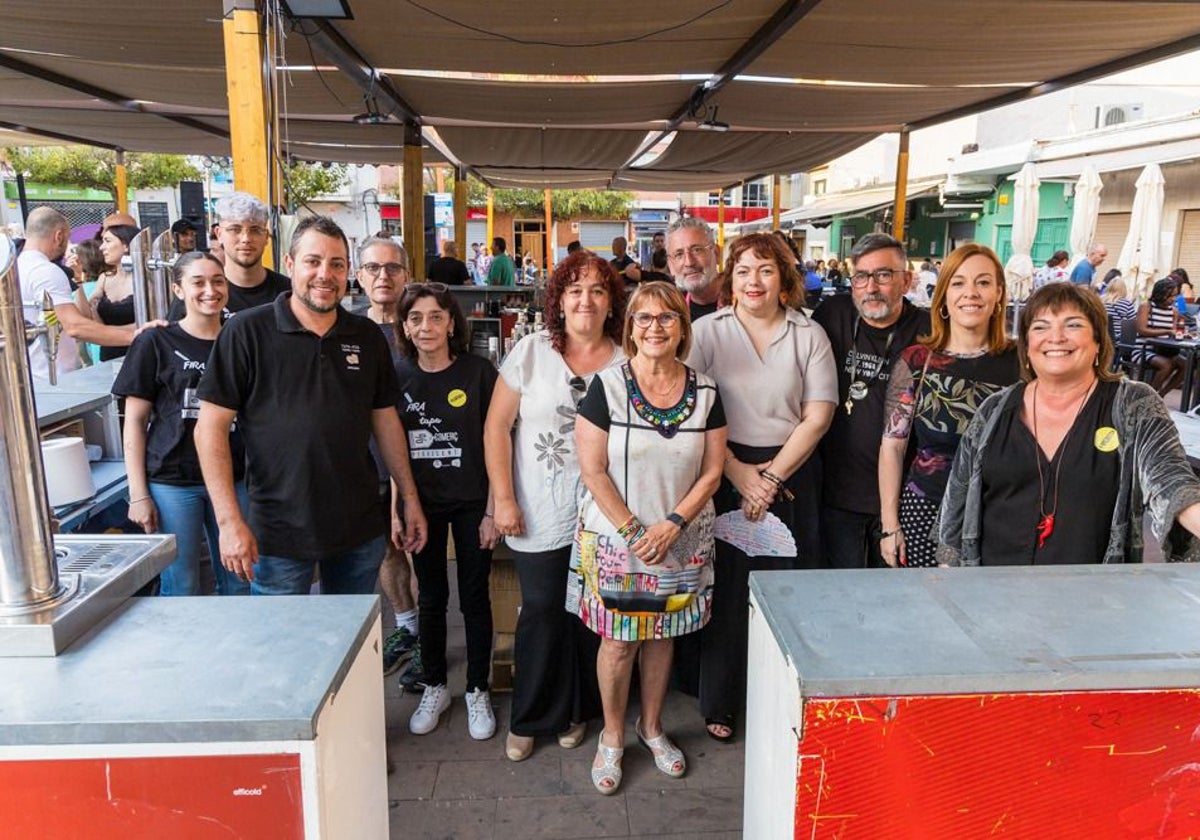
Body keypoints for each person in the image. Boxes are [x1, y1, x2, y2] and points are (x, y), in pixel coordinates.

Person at [194, 215, 428, 595]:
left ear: (348, 272)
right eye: (313, 261)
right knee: (282, 647)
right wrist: (228, 522)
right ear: (289, 265)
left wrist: (410, 499)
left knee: (352, 646)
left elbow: (385, 422)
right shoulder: (247, 332)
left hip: (358, 527)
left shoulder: (366, 336)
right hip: (278, 531)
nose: (325, 274)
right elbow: (210, 428)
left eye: (337, 264)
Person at [573, 282, 726, 794]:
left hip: (680, 540)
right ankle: (613, 737)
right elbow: (592, 469)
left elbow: (712, 471)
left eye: (666, 319)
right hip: (619, 543)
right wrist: (636, 531)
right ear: (630, 328)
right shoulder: (606, 387)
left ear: (682, 328)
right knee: (619, 643)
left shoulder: (705, 391)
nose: (655, 327)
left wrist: (672, 525)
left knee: (663, 637)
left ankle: (652, 726)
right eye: (644, 318)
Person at [688, 232, 838, 741]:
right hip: (723, 468)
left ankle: (785, 701)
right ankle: (721, 703)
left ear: (785, 279)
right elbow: (695, 412)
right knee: (725, 591)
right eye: (745, 270)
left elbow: (817, 415)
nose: (755, 281)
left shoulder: (808, 334)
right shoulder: (706, 332)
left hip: (791, 472)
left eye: (767, 270)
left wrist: (769, 477)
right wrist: (737, 472)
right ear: (731, 277)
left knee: (789, 590)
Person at [939, 282, 1200, 565]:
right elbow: (957, 500)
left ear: (1099, 341)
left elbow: (1169, 479)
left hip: (1091, 598)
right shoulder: (994, 409)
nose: (1056, 337)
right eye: (1040, 327)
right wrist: (950, 575)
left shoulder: (1134, 404)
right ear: (1027, 346)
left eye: (1073, 325)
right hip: (992, 592)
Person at [484, 249, 626, 762]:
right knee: (542, 610)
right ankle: (530, 716)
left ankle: (576, 712)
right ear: (558, 301)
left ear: (611, 302)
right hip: (537, 507)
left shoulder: (628, 358)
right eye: (574, 290)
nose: (585, 300)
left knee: (589, 617)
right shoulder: (530, 351)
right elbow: (497, 426)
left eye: (596, 290)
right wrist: (502, 498)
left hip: (604, 513)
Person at [394, 282, 499, 740]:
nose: (426, 327)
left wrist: (496, 508)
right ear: (404, 326)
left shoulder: (479, 373)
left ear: (452, 322)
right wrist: (395, 511)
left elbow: (500, 444)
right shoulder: (396, 378)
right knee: (432, 598)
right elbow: (390, 450)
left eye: (435, 316)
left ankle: (478, 687)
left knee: (474, 598)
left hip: (474, 501)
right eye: (415, 318)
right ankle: (435, 684)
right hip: (423, 505)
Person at [113, 252, 250, 596]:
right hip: (173, 480)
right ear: (177, 289)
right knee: (181, 583)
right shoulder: (155, 341)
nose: (210, 290)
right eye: (198, 282)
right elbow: (134, 422)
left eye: (218, 281)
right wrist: (138, 493)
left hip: (235, 479)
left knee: (240, 578)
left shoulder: (241, 340)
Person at [877, 245, 1020, 568]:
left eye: (983, 283)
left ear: (999, 293)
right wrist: (889, 525)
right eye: (958, 283)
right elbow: (892, 448)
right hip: (925, 509)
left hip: (1000, 513)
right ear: (942, 296)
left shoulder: (1022, 362)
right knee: (925, 611)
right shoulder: (916, 361)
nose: (971, 293)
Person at [813, 232, 930, 569]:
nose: (871, 287)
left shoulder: (930, 331)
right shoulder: (831, 315)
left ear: (906, 280)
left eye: (884, 275)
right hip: (835, 496)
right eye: (862, 276)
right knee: (839, 597)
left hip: (902, 501)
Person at [357, 238, 421, 678]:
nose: (383, 277)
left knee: (424, 551)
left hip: (424, 464)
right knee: (387, 551)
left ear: (406, 276)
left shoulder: (422, 327)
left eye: (393, 268)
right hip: (367, 466)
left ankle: (430, 634)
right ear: (358, 276)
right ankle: (408, 627)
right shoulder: (345, 331)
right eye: (373, 268)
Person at [18, 207, 133, 380]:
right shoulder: (46, 271)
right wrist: (136, 336)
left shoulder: (14, 267)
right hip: (51, 379)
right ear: (59, 236)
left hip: (31, 376)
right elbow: (75, 326)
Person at [168, 192, 289, 319]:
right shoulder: (199, 295)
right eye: (235, 229)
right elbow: (171, 335)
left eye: (255, 230)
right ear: (219, 234)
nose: (245, 239)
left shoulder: (288, 293)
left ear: (266, 237)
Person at [89, 224, 139, 361]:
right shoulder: (104, 278)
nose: (101, 247)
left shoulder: (146, 279)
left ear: (126, 245)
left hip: (139, 352)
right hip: (108, 354)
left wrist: (106, 333)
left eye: (108, 241)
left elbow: (149, 322)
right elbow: (93, 320)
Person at [1135, 277, 1186, 396]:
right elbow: (1141, 330)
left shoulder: (1173, 311)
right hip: (1143, 349)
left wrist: (1181, 334)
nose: (1173, 299)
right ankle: (1148, 397)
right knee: (1166, 365)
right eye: (1170, 296)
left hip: (1164, 350)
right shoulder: (1146, 307)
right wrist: (1167, 331)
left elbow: (1173, 332)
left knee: (1185, 365)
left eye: (1175, 296)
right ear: (1160, 294)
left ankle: (1161, 394)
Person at [666, 217, 721, 322]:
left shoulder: (745, 302)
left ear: (717, 254)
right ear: (671, 265)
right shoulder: (671, 313)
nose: (689, 262)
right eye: (679, 254)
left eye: (697, 250)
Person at [1101, 277, 1136, 341]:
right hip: (1118, 339)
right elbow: (1132, 323)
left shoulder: (1100, 301)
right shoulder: (1127, 303)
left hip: (1101, 335)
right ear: (1123, 289)